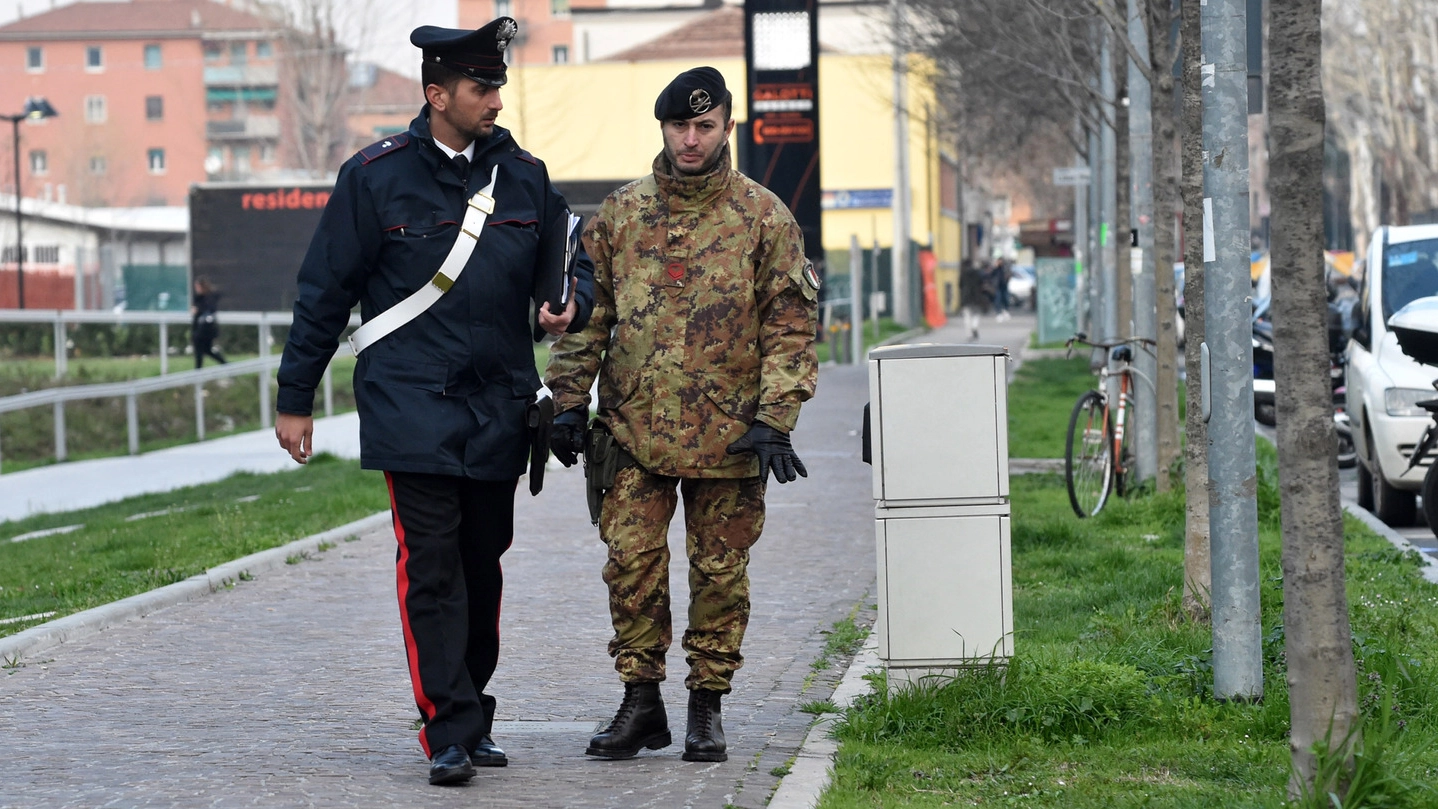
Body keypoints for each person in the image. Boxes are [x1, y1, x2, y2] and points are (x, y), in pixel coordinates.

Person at [272, 17, 595, 787]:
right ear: (437, 92)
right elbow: (325, 291)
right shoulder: (374, 176)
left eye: (498, 86)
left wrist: (569, 304)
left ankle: (471, 708)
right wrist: (296, 396)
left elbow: (571, 259)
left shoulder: (523, 175)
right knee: (433, 566)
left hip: (499, 404)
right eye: (482, 88)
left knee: (482, 565)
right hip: (410, 402)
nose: (495, 100)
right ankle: (445, 725)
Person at [544, 66, 819, 764]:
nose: (690, 139)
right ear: (661, 128)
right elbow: (588, 318)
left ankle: (707, 707)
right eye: (678, 126)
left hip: (732, 435)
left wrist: (777, 415)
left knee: (719, 573)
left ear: (728, 125)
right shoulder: (622, 216)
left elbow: (790, 322)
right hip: (634, 432)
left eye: (704, 126)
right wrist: (569, 404)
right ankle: (641, 703)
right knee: (630, 566)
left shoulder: (763, 216)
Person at [190, 276, 226, 368]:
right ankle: (227, 365)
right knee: (205, 351)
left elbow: (208, 311)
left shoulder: (210, 298)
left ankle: (198, 375)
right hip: (199, 329)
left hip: (204, 330)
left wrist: (198, 310)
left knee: (201, 353)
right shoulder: (198, 298)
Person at [958, 259, 985, 340]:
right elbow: (981, 283)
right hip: (976, 296)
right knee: (976, 313)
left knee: (967, 315)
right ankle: (974, 326)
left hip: (966, 296)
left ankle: (969, 334)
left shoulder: (963, 273)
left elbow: (960, 285)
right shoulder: (977, 272)